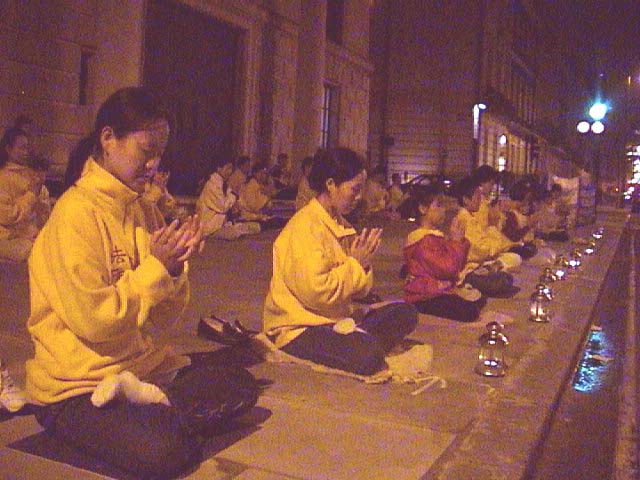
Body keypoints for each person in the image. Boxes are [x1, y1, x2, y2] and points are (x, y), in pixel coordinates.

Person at [25, 87, 259, 479]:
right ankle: (155, 418)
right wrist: (154, 268)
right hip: (78, 386)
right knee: (165, 453)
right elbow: (94, 322)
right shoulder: (74, 215)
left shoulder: (142, 210)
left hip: (138, 369)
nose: (153, 165)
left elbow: (162, 320)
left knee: (241, 384)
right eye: (145, 151)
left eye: (159, 154)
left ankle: (153, 410)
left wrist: (174, 269)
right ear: (108, 138)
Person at [263, 147, 418, 376]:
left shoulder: (341, 225)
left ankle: (356, 337)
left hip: (336, 319)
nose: (358, 197)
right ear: (331, 184)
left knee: (406, 312)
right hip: (301, 326)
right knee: (369, 355)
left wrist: (363, 264)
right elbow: (315, 293)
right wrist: (355, 265)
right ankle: (359, 339)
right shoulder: (305, 227)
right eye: (354, 189)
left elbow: (360, 291)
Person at [403, 186, 486, 322]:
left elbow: (456, 265)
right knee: (470, 310)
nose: (444, 210)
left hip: (440, 289)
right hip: (424, 295)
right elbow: (447, 269)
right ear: (423, 209)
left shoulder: (434, 236)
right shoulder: (422, 241)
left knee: (479, 300)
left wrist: (460, 242)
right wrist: (456, 242)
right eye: (438, 205)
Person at [454, 176, 520, 297]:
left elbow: (487, 241)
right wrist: (493, 228)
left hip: (483, 262)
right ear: (466, 200)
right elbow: (481, 250)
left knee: (514, 259)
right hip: (471, 269)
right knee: (503, 279)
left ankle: (492, 269)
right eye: (477, 197)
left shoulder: (471, 217)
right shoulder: (463, 219)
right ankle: (490, 271)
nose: (480, 201)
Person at [0, 127, 50, 262]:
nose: (25, 152)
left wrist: (41, 192)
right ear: (8, 149)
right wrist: (31, 194)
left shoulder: (31, 175)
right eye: (21, 148)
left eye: (27, 148)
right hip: (8, 239)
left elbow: (43, 215)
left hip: (32, 235)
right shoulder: (3, 178)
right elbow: (8, 216)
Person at [197, 155, 260, 240]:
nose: (230, 172)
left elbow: (238, 202)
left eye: (231, 169)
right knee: (235, 233)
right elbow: (222, 207)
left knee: (255, 227)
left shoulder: (223, 183)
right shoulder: (212, 184)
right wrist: (234, 196)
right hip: (211, 226)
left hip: (223, 222)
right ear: (219, 168)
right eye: (227, 168)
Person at [238, 161, 286, 230]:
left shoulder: (258, 185)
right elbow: (253, 206)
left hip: (257, 215)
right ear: (255, 173)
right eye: (261, 173)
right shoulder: (251, 185)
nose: (263, 175)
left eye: (264, 173)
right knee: (277, 222)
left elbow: (268, 203)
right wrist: (266, 198)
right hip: (249, 216)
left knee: (279, 219)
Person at [502, 180, 538, 259]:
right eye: (527, 197)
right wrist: (529, 226)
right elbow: (514, 236)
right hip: (511, 247)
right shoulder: (511, 213)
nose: (528, 200)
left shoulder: (519, 212)